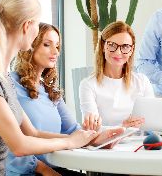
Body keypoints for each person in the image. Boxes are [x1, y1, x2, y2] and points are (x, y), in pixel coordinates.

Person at [0, 0, 123, 175]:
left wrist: (89, 139)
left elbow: (32, 133)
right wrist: (69, 141)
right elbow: (19, 145)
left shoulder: (3, 76)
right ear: (27, 26)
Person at [6, 23, 96, 175]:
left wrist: (94, 136)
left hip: (54, 167)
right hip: (25, 171)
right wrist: (42, 168)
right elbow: (7, 141)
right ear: (30, 45)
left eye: (57, 46)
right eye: (47, 44)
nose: (55, 51)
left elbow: (72, 130)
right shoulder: (9, 84)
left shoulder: (51, 91)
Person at [79, 21, 155, 130]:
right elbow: (92, 130)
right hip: (107, 146)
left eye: (125, 46)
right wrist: (123, 127)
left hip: (140, 143)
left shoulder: (142, 81)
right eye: (112, 45)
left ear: (131, 50)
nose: (118, 52)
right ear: (103, 46)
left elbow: (151, 122)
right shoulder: (88, 85)